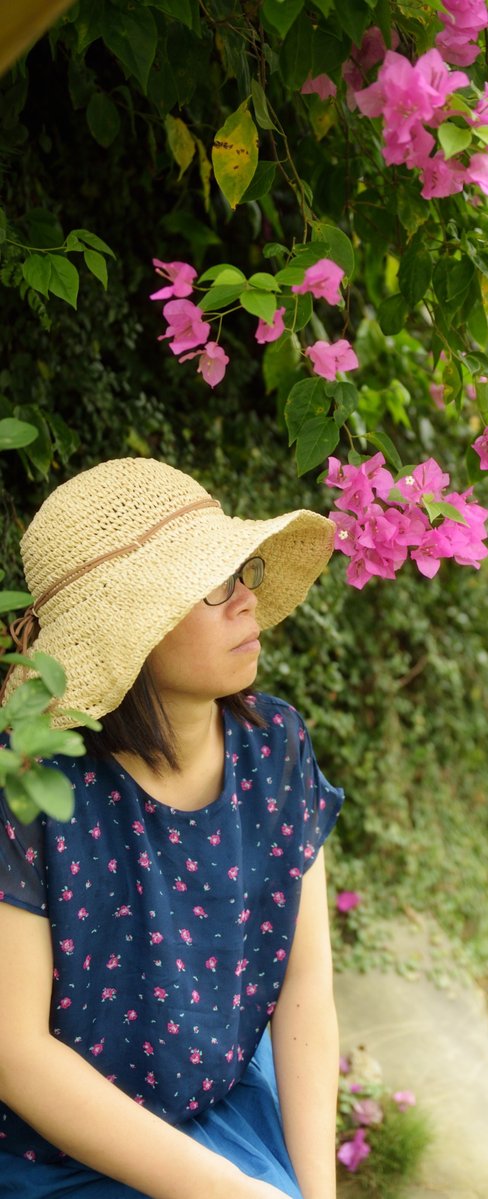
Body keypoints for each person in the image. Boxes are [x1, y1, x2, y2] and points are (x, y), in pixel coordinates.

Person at [0, 457, 345, 1199]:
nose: (247, 601)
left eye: (242, 572)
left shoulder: (276, 746)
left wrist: (315, 1194)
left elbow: (304, 986)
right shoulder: (31, 783)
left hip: (215, 1105)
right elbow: (14, 1053)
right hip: (51, 1151)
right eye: (212, 585)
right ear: (134, 628)